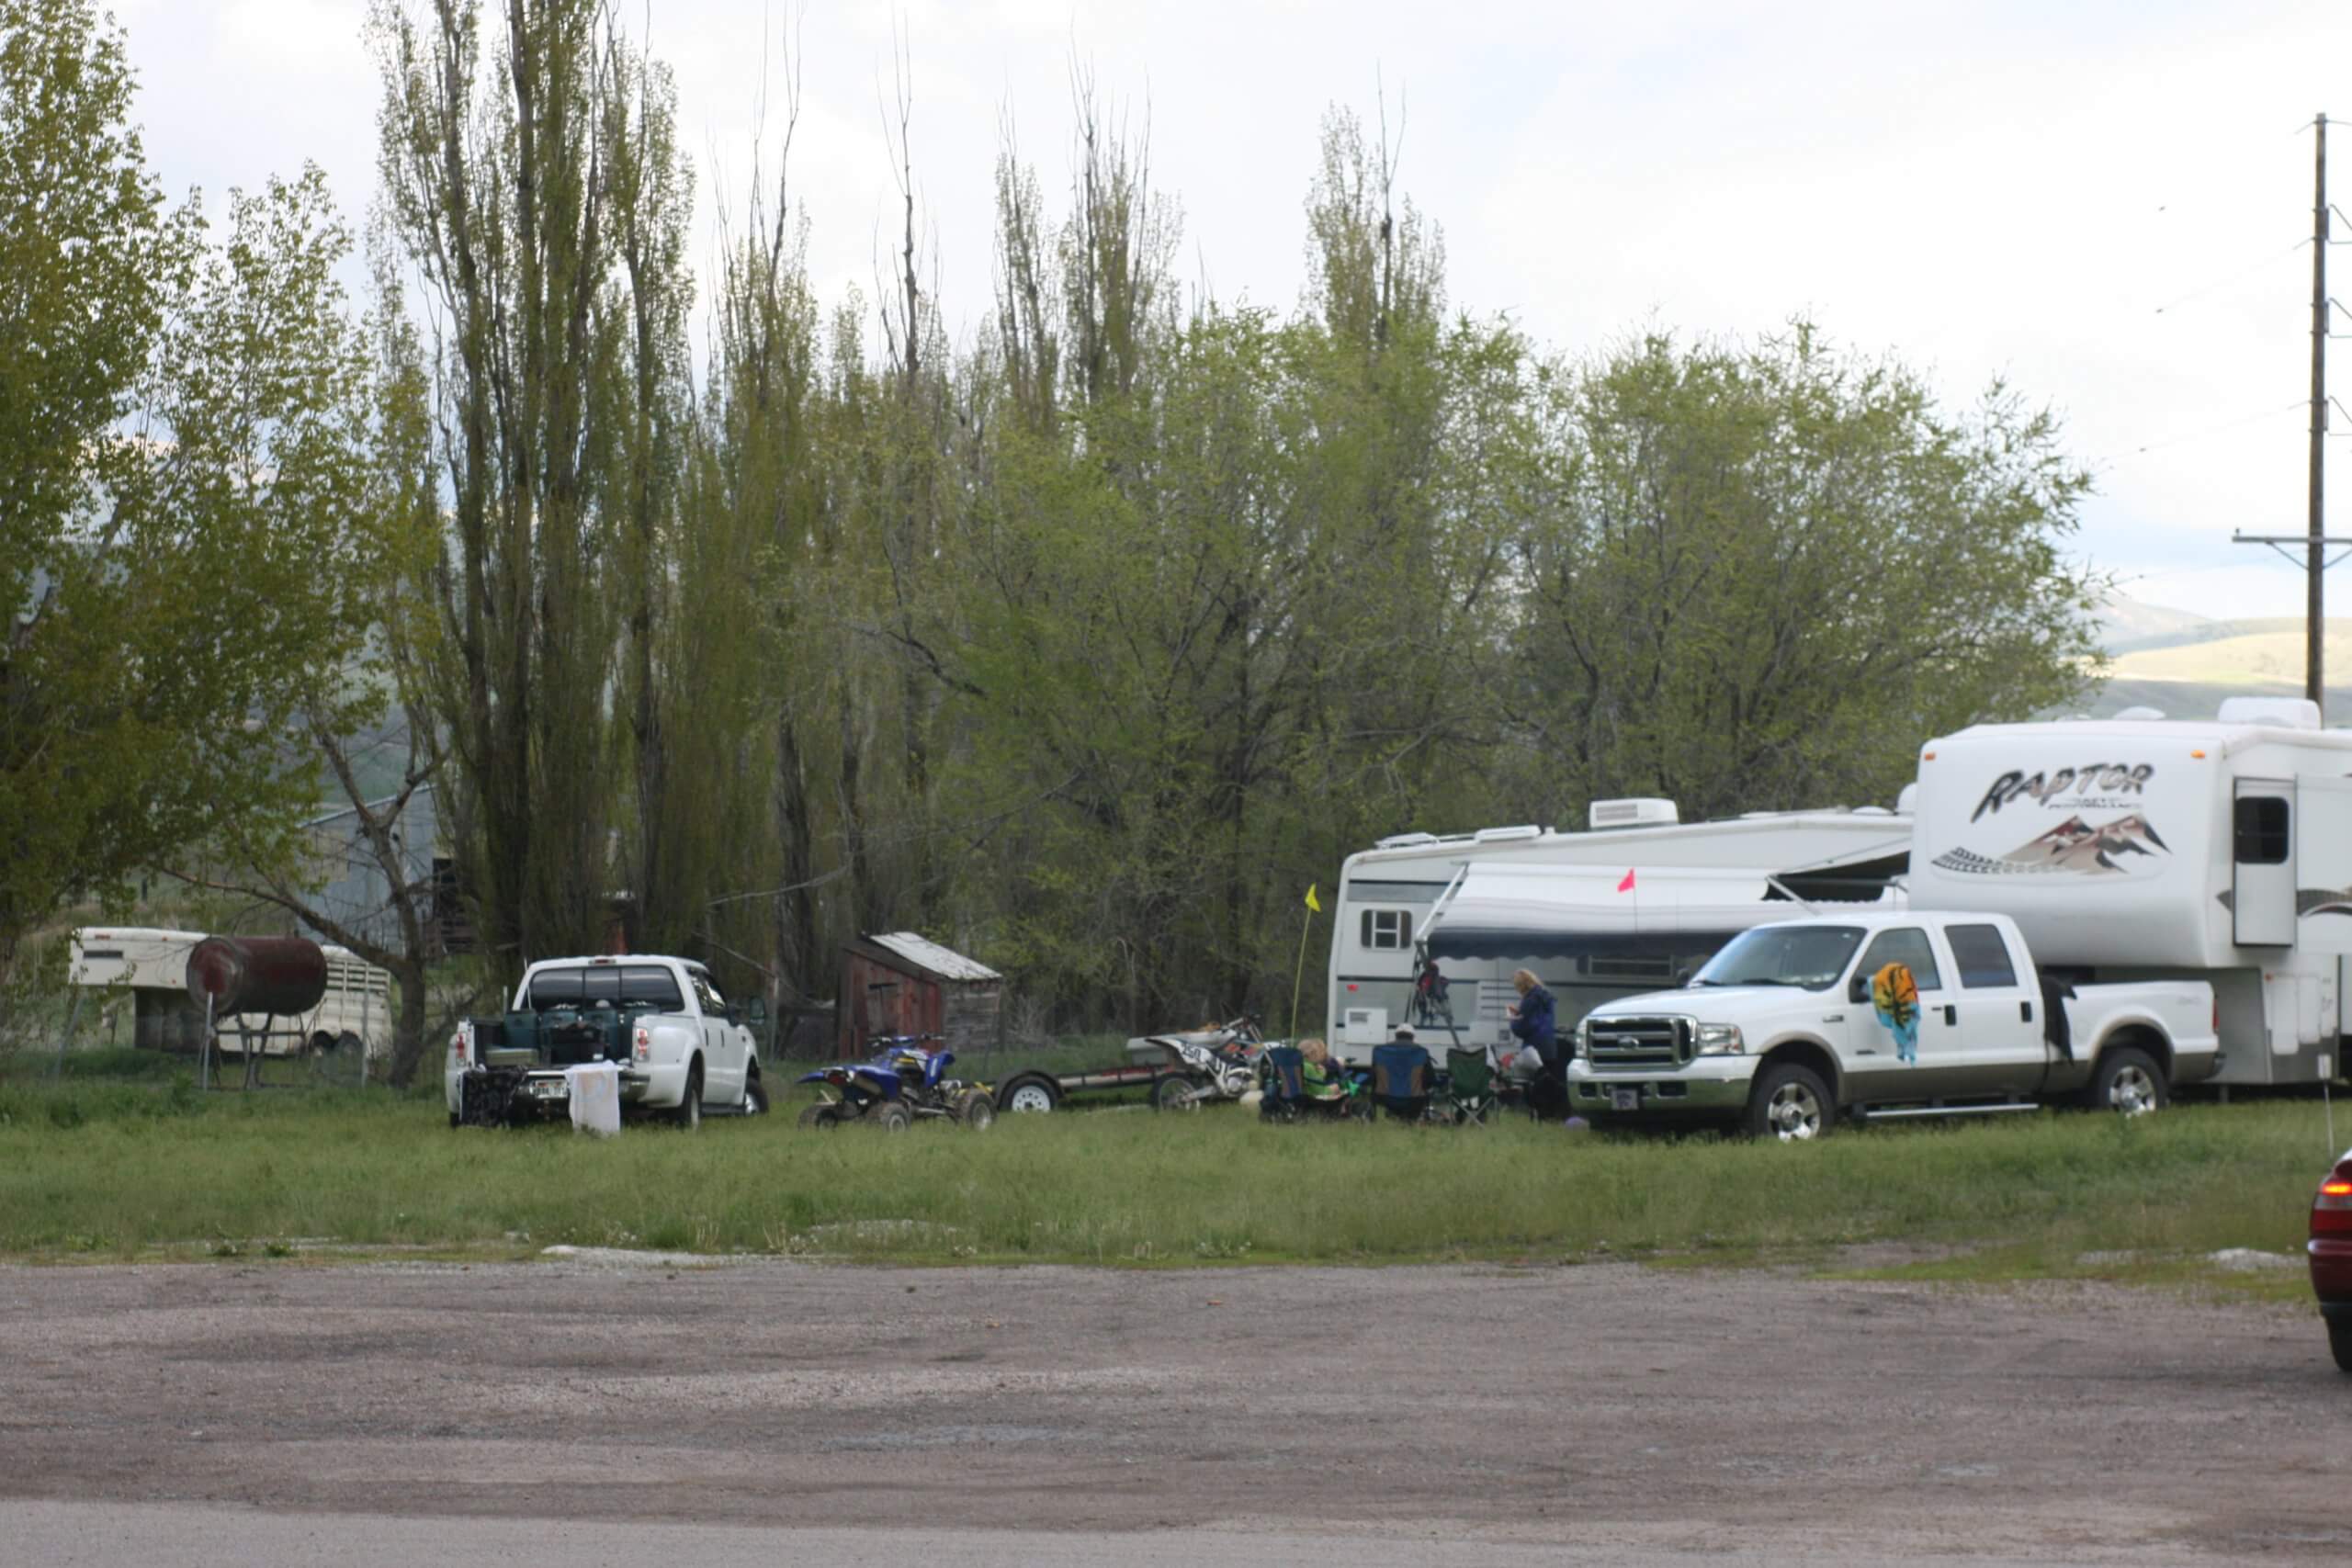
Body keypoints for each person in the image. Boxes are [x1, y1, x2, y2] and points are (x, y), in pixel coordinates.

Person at [1505, 967, 1556, 1082]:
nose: (1518, 990)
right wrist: (1519, 1013)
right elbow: (1538, 1019)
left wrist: (1512, 1019)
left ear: (1522, 985)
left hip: (1534, 1051)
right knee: (1549, 1083)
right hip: (1550, 1048)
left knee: (1536, 1085)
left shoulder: (1530, 999)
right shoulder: (1545, 996)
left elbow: (1523, 1028)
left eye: (1517, 987)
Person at [1298, 1036, 1344, 1100]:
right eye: (1316, 1053)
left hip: (1302, 1093)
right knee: (1336, 1086)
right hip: (1315, 1093)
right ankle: (1340, 1106)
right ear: (1311, 1054)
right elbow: (1318, 1082)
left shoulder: (1299, 1065)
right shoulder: (1309, 1067)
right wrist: (1323, 1072)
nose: (1318, 1056)